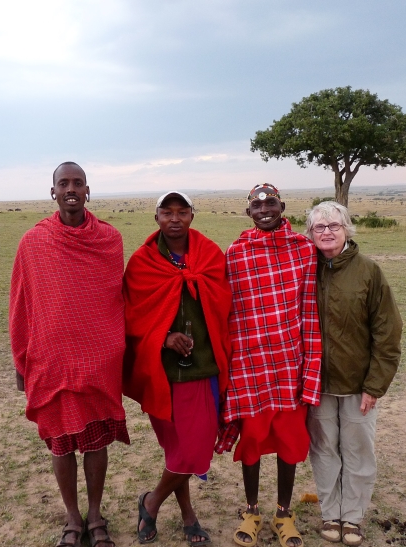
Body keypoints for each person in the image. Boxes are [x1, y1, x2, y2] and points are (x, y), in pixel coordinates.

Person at [9, 162, 130, 547]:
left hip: (98, 360)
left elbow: (116, 299)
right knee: (60, 441)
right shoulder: (34, 241)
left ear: (88, 190)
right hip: (51, 360)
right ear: (53, 192)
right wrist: (20, 360)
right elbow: (21, 303)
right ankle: (73, 517)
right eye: (64, 183)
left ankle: (95, 516)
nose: (71, 189)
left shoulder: (109, 239)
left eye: (78, 183)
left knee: (96, 441)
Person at [123, 191, 232, 546]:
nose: (174, 219)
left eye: (182, 212)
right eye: (167, 212)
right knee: (178, 451)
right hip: (163, 373)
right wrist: (165, 337)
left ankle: (151, 502)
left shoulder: (210, 255)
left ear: (191, 216)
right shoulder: (142, 262)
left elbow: (224, 303)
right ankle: (188, 516)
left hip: (202, 368)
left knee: (195, 448)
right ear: (156, 217)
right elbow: (132, 313)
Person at [216, 183, 322, 547]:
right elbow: (227, 311)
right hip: (249, 366)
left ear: (282, 207)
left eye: (271, 203)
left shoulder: (304, 250)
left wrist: (311, 370)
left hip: (289, 366)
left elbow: (310, 312)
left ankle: (283, 513)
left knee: (290, 442)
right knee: (252, 441)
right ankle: (251, 510)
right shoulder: (236, 253)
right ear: (248, 212)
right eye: (257, 205)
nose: (264, 210)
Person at [305, 201, 402, 546]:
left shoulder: (369, 272)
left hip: (358, 385)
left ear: (347, 229)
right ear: (310, 233)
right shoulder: (304, 269)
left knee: (359, 451)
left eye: (334, 225)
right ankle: (330, 513)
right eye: (319, 227)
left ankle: (353, 517)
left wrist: (374, 385)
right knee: (323, 450)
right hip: (316, 384)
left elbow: (387, 333)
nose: (327, 232)